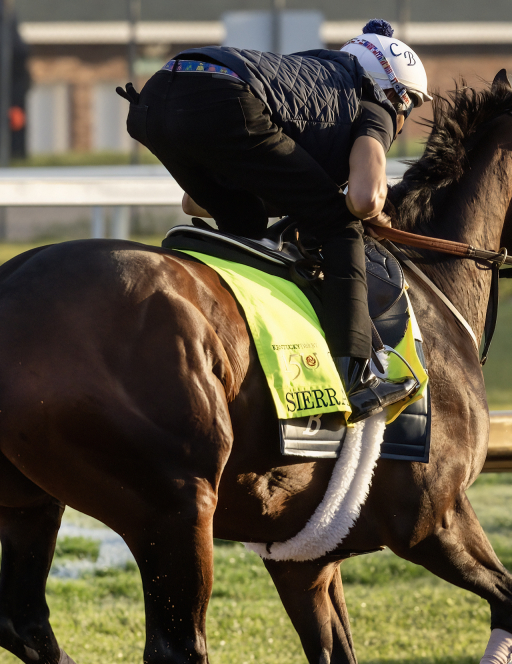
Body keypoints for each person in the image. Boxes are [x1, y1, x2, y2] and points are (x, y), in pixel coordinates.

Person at [119, 19, 431, 423]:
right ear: (395, 92)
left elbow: (195, 203)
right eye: (412, 104)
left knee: (243, 217)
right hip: (222, 97)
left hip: (156, 99)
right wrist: (375, 211)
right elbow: (363, 199)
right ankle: (355, 375)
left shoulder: (311, 79)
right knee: (340, 227)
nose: (406, 117)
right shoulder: (376, 103)